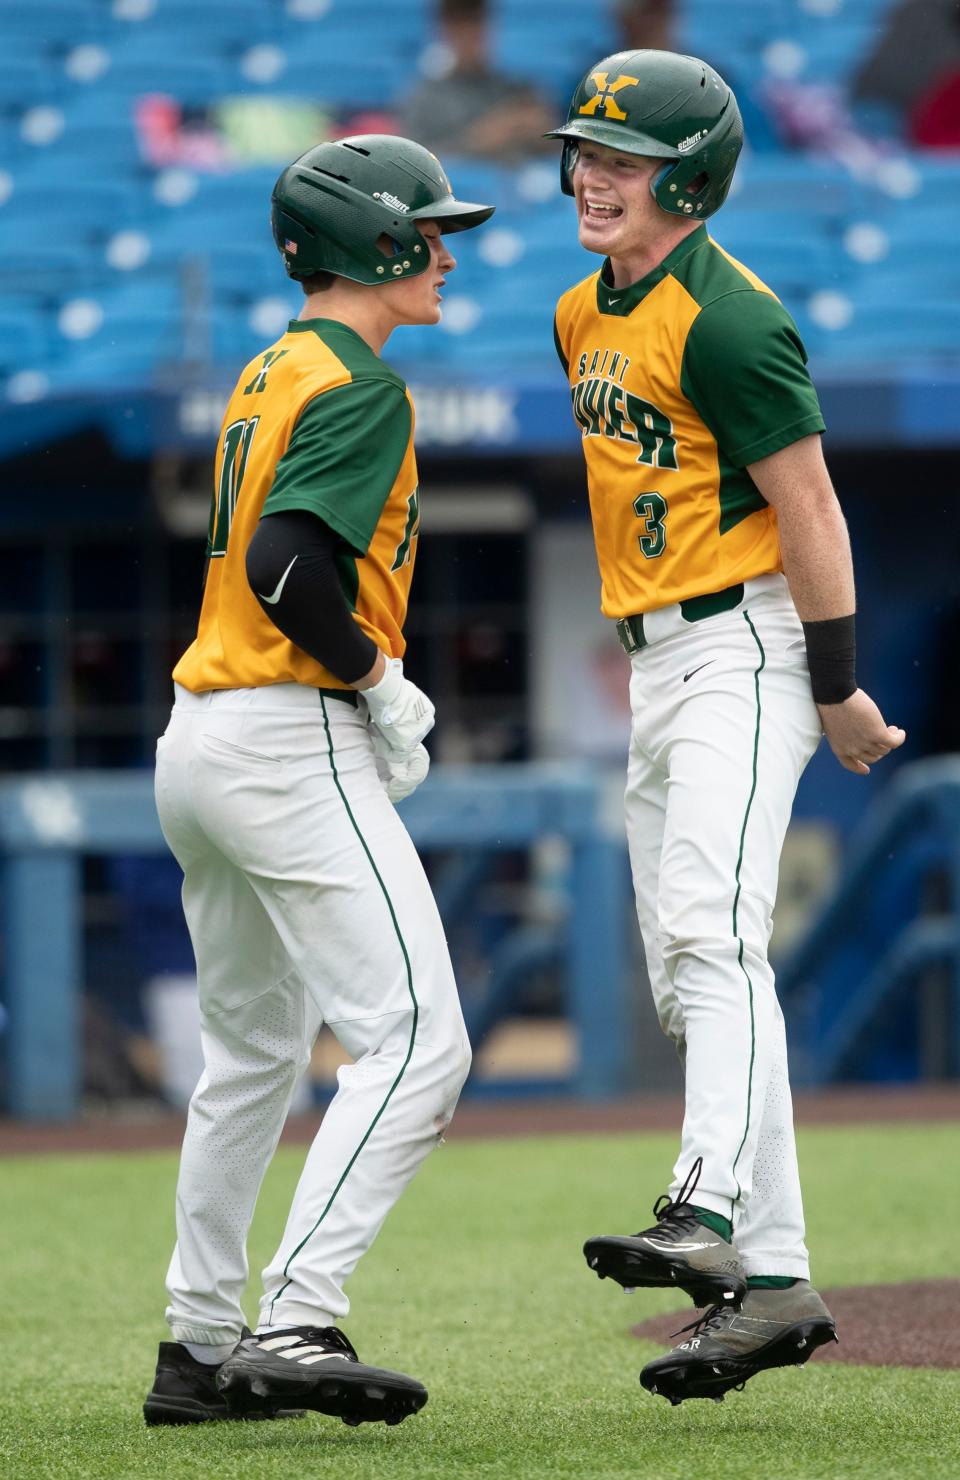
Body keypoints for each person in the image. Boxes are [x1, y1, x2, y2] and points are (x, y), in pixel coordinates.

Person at [547, 52, 905, 1406]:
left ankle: (702, 1215)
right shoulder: (584, 309)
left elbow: (811, 511)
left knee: (714, 938)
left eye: (622, 157)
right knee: (693, 976)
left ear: (688, 175)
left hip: (746, 641)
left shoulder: (734, 318)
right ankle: (778, 1282)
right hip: (659, 662)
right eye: (586, 149)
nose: (592, 172)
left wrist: (835, 683)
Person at [143, 134, 493, 1429]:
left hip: (203, 738)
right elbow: (294, 563)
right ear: (375, 245)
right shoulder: (356, 384)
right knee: (419, 1041)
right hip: (291, 732)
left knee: (251, 1059)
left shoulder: (269, 364)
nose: (446, 254)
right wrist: (380, 682)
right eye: (429, 231)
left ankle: (198, 1345)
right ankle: (294, 1318)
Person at [398, 0, 555, 161]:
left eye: (476, 22)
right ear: (444, 30)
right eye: (460, 25)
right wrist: (481, 140)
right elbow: (413, 164)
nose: (470, 33)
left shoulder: (519, 89)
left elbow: (559, 152)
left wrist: (540, 133)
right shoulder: (423, 98)